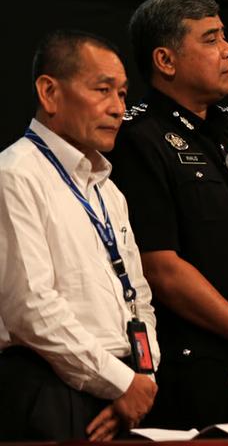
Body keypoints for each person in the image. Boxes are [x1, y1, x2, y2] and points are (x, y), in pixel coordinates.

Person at [108, 0, 228, 429]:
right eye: (211, 39)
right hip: (195, 369)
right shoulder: (140, 138)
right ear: (166, 60)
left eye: (225, 37)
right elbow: (161, 267)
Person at [0, 30, 159, 441]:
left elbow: (138, 293)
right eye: (103, 90)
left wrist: (143, 375)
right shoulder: (15, 174)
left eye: (123, 94)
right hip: (48, 388)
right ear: (50, 92)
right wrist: (121, 383)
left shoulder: (108, 189)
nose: (118, 109)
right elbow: (30, 307)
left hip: (121, 391)